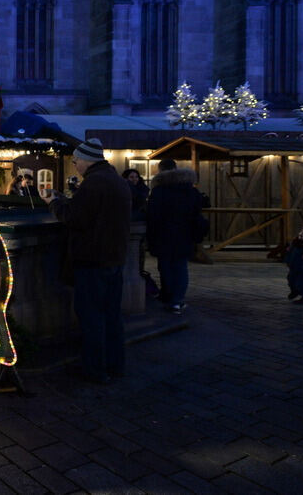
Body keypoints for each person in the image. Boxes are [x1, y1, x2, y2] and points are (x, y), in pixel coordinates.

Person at [43, 138, 131, 384]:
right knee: (112, 317)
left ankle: (95, 370)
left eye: (75, 161)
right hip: (114, 259)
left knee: (91, 317)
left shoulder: (94, 184)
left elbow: (74, 218)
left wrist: (54, 203)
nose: (74, 165)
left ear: (85, 159)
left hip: (92, 260)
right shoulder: (117, 181)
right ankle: (116, 365)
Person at [146, 158, 204, 315]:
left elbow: (152, 215)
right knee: (180, 267)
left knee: (165, 267)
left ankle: (169, 297)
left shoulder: (159, 191)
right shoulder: (190, 190)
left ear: (160, 170)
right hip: (184, 234)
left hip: (162, 234)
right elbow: (197, 211)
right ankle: (177, 300)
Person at [284, 225, 303, 306]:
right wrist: (288, 261)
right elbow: (290, 253)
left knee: (301, 284)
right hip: (294, 267)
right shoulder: (295, 243)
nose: (301, 234)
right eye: (302, 232)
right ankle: (295, 291)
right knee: (291, 280)